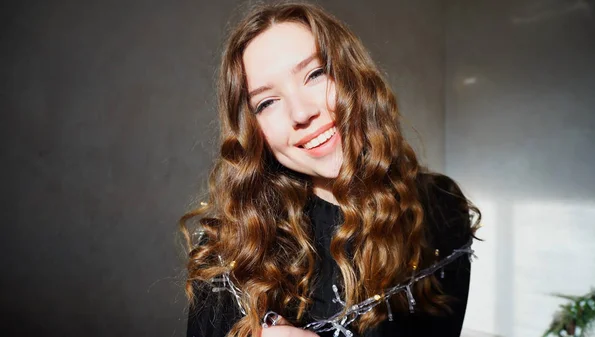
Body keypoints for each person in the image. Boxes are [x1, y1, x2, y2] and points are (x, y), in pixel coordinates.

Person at [181, 3, 481, 337]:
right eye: (267, 102)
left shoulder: (441, 206)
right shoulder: (230, 252)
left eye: (314, 74)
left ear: (353, 76)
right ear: (252, 131)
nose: (300, 112)